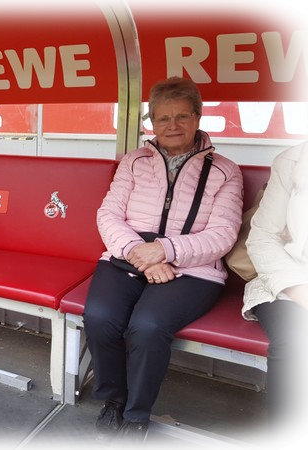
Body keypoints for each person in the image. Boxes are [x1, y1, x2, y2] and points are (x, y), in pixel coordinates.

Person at [83, 77, 243, 450]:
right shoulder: (134, 161)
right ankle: (113, 400)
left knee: (148, 325)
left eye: (182, 116)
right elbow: (108, 214)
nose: (173, 126)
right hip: (129, 253)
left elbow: (223, 235)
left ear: (198, 118)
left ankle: (136, 417)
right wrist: (139, 252)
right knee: (100, 316)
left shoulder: (224, 170)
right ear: (152, 122)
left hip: (194, 267)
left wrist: (165, 250)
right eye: (163, 118)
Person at [242, 138, 308, 450]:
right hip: (290, 275)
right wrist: (300, 291)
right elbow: (263, 236)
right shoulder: (291, 161)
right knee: (296, 342)